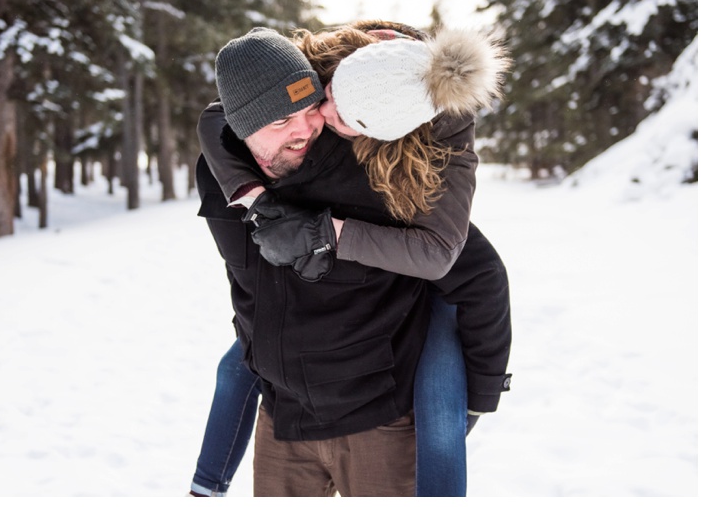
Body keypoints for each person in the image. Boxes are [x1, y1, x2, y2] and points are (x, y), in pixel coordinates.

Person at [193, 25, 512, 496]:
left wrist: (328, 234)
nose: (315, 122)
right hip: (287, 412)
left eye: (338, 119)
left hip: (379, 404)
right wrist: (254, 197)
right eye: (294, 114)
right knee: (235, 364)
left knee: (442, 394)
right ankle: (205, 487)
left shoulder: (400, 169)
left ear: (376, 132)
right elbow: (219, 116)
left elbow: (460, 262)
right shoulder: (303, 83)